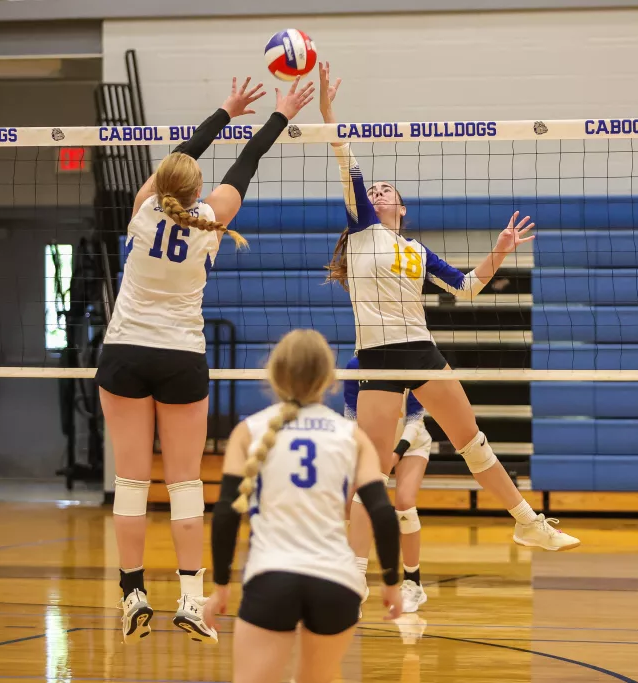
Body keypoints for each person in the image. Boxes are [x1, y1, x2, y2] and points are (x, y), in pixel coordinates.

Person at [318, 62, 579, 555]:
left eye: (385, 190)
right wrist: (328, 112)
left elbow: (466, 288)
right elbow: (342, 155)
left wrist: (501, 250)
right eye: (372, 190)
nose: (376, 192)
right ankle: (350, 573)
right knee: (371, 474)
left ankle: (526, 521)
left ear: (402, 207)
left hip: (420, 353)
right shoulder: (361, 231)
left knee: (471, 441)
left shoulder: (417, 252)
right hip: (374, 356)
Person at [95, 75, 314, 645]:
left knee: (130, 481)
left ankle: (132, 590)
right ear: (196, 194)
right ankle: (192, 599)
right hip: (181, 358)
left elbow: (181, 160)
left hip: (125, 353)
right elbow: (247, 163)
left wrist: (222, 109)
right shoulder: (211, 224)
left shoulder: (142, 213)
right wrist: (278, 113)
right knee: (186, 482)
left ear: (162, 184)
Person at [203, 329, 403, 683]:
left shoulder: (248, 431)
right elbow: (382, 513)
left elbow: (226, 513)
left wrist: (220, 586)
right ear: (329, 380)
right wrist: (391, 582)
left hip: (271, 577)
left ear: (274, 373)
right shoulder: (351, 435)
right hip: (336, 584)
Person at [343, 355, 430, 613]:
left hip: (410, 443)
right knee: (348, 502)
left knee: (404, 503)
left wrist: (395, 453)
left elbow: (416, 420)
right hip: (372, 441)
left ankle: (413, 582)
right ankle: (354, 583)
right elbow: (350, 416)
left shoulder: (412, 361)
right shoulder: (355, 366)